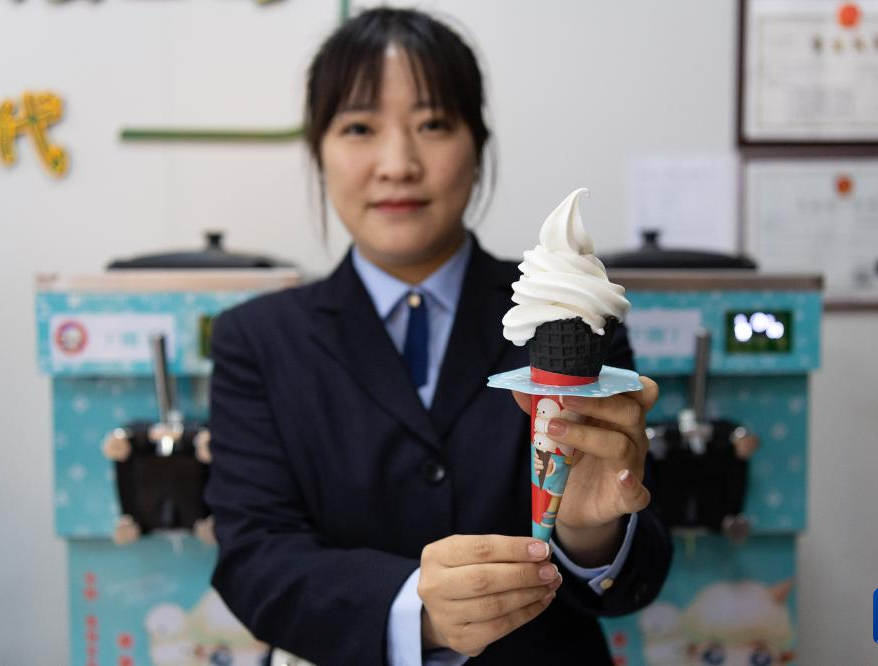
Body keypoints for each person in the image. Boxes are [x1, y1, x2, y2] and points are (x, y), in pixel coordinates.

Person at [206, 8, 672, 666]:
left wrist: (589, 532)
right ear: (318, 150)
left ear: (477, 145)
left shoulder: (571, 312)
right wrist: (413, 610)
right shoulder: (256, 341)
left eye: (432, 125)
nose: (397, 165)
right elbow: (255, 558)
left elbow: (642, 565)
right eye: (359, 127)